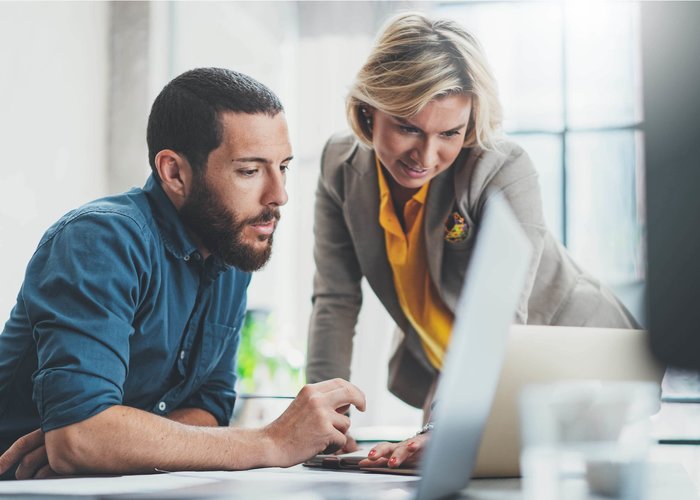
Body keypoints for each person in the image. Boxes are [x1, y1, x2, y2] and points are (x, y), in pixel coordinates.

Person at [305, 12, 638, 468]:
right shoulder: (338, 167)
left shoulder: (500, 169)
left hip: (578, 364)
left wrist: (443, 427)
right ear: (369, 109)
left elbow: (496, 321)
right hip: (459, 378)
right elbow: (335, 300)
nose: (426, 156)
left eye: (450, 133)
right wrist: (323, 421)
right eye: (408, 128)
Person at [0, 67, 365, 480]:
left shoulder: (229, 248)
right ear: (174, 173)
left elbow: (209, 406)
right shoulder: (100, 239)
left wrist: (115, 440)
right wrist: (271, 441)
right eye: (249, 171)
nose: (278, 195)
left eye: (282, 167)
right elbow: (81, 438)